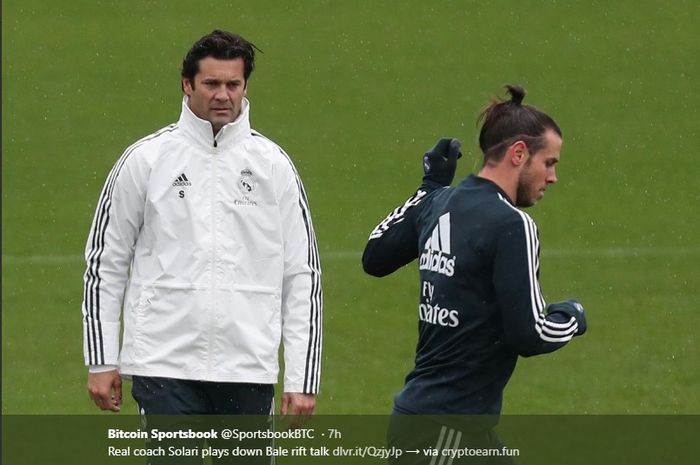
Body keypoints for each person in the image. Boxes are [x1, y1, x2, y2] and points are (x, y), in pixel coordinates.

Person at [82, 30, 322, 425]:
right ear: (187, 83)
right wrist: (101, 359)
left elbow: (303, 276)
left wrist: (302, 376)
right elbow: (105, 264)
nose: (223, 95)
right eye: (211, 84)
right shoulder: (146, 160)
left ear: (245, 86)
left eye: (234, 84)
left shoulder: (274, 166)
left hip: (247, 365)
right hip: (162, 363)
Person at [363, 85, 587, 464]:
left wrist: (427, 188)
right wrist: (572, 316)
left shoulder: (440, 202)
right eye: (548, 163)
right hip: (449, 430)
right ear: (519, 153)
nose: (552, 177)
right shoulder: (512, 224)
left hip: (427, 420)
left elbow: (375, 254)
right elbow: (530, 333)